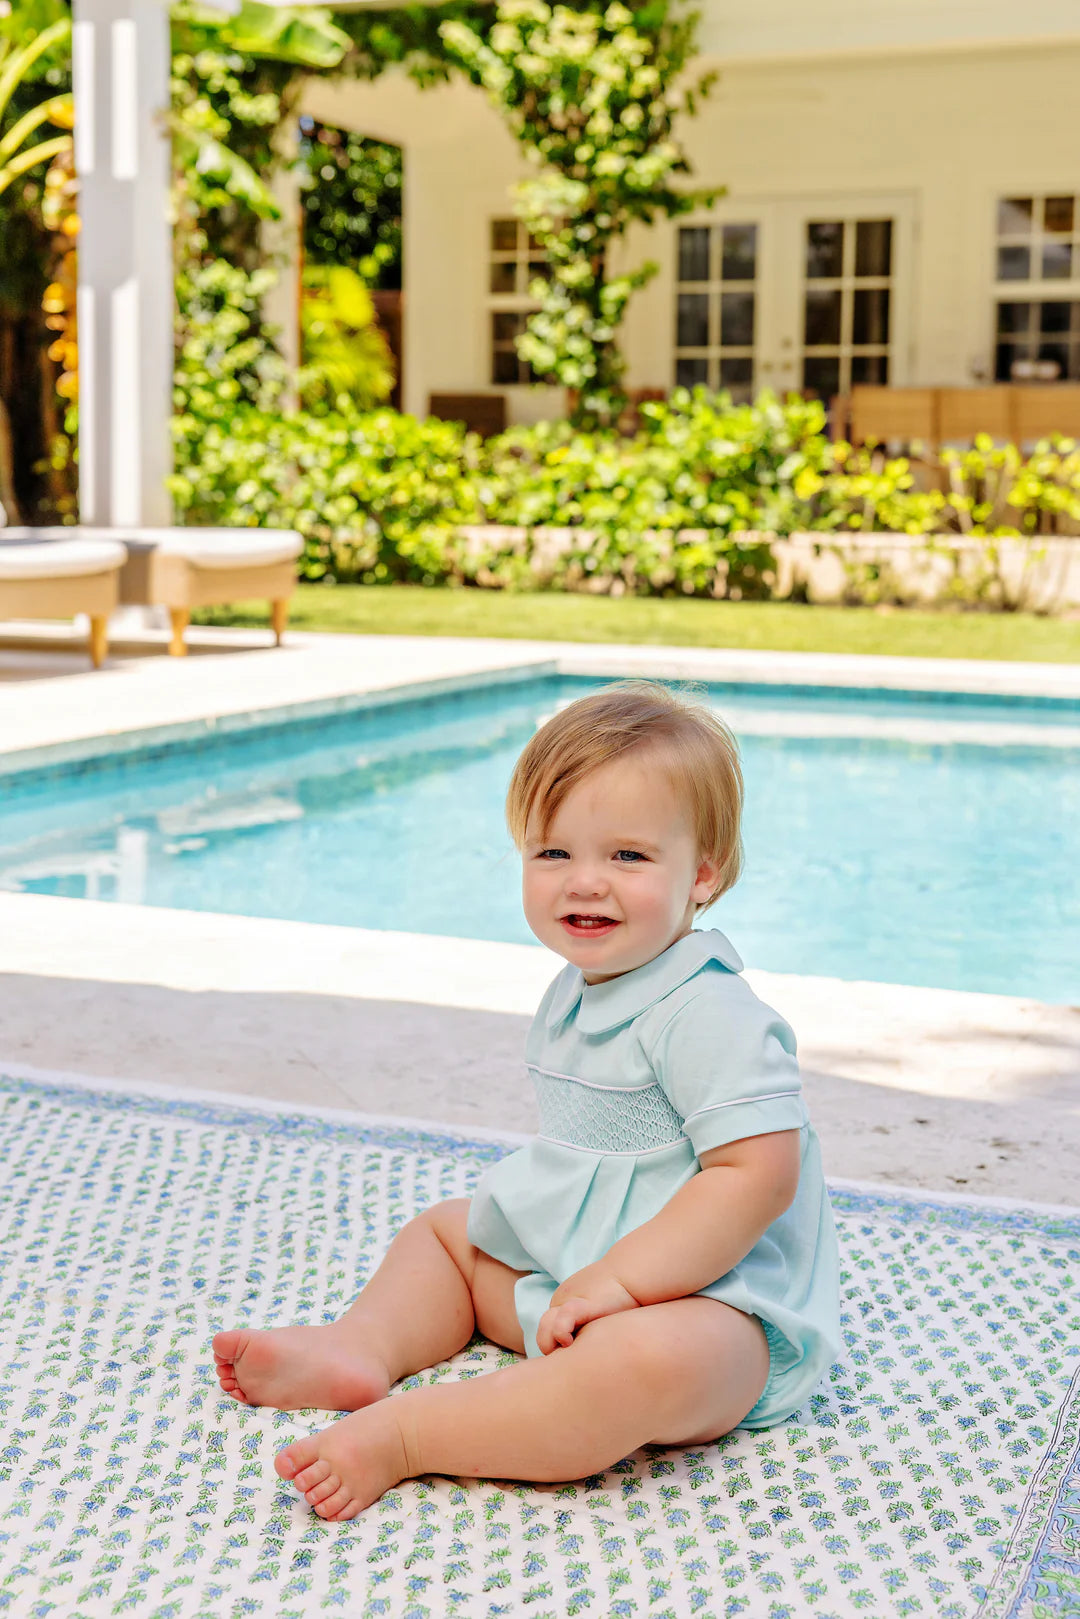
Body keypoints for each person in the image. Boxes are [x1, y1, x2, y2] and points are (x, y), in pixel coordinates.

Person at [211, 678, 841, 1522]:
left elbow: (756, 1175)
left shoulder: (707, 1010)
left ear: (704, 872)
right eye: (553, 853)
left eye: (628, 856)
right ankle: (362, 1346)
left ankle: (412, 1435)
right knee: (447, 1234)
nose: (586, 882)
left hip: (717, 1310)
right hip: (578, 1286)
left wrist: (622, 1282)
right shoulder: (580, 987)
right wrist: (583, 1272)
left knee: (638, 1366)